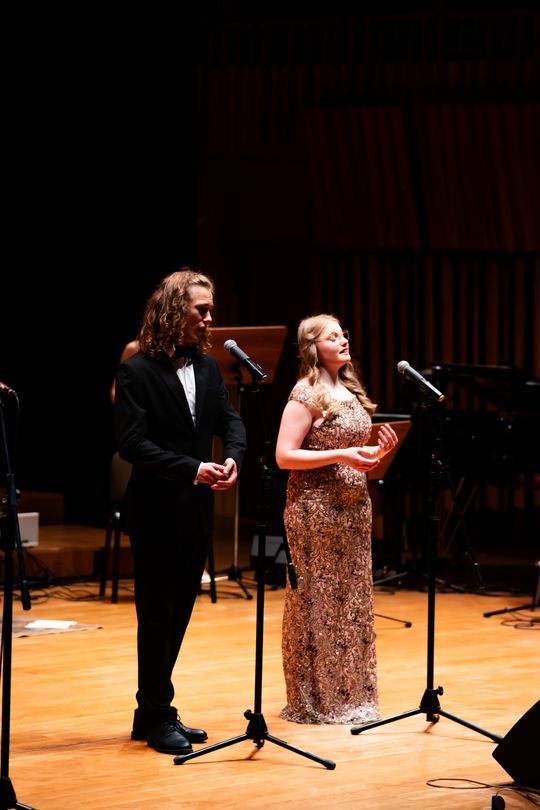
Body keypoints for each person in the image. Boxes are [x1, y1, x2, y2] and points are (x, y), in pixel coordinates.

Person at [114, 267, 247, 754]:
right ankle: (155, 714)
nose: (210, 319)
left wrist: (233, 455)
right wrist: (192, 467)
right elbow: (131, 444)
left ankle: (152, 711)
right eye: (202, 310)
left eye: (210, 310)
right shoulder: (136, 371)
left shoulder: (209, 368)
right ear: (175, 310)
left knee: (182, 613)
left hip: (195, 511)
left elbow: (230, 421)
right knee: (156, 616)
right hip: (154, 510)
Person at [275, 314, 398, 725]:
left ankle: (352, 697)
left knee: (351, 604)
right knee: (319, 603)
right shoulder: (305, 393)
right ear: (313, 347)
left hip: (353, 508)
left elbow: (352, 453)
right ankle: (317, 699)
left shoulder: (348, 388)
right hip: (315, 509)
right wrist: (342, 456)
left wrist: (375, 453)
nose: (344, 340)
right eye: (333, 336)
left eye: (344, 333)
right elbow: (284, 456)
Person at [111, 337, 213, 590]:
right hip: (155, 455)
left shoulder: (201, 361)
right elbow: (118, 393)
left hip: (189, 469)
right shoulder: (135, 352)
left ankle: (200, 566)